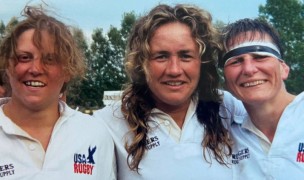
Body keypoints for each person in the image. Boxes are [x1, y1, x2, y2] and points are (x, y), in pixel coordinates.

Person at [94, 4, 245, 179]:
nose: (174, 70)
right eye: (161, 56)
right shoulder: (108, 123)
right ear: (142, 63)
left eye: (185, 56)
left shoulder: (228, 107)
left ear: (202, 62)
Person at [0, 6, 116, 179]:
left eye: (50, 59)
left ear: (68, 70)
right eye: (24, 57)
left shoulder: (94, 134)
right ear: (7, 65)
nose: (35, 69)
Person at [220, 18, 303, 179]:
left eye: (260, 56)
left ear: (283, 69)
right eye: (236, 61)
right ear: (226, 80)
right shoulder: (223, 131)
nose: (249, 69)